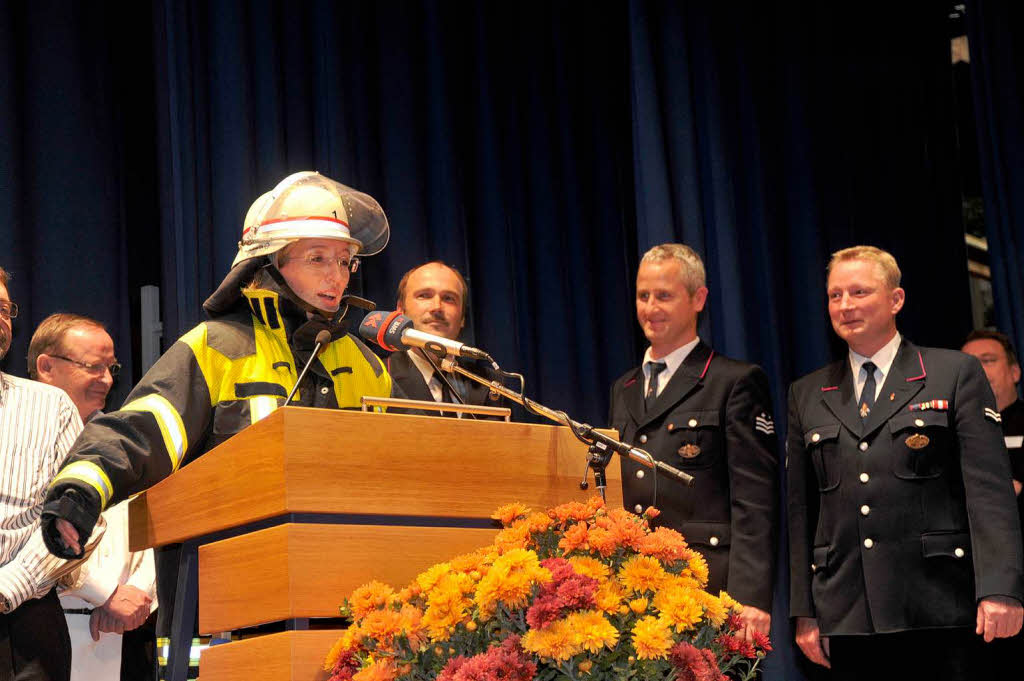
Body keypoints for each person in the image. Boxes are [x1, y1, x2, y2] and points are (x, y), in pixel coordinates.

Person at [36, 171, 394, 671]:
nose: (337, 276)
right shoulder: (214, 348)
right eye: (317, 258)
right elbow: (140, 431)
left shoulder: (369, 365)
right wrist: (79, 491)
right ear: (269, 262)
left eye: (344, 261)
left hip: (344, 613)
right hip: (226, 621)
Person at [787, 245, 1024, 680]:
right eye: (835, 295)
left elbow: (989, 492)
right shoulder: (808, 393)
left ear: (896, 299)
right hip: (850, 611)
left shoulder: (952, 373)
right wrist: (805, 610)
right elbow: (803, 511)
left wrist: (1001, 589)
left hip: (938, 603)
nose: (845, 305)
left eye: (859, 292)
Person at [608, 243, 778, 642]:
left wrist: (750, 597)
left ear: (698, 298)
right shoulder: (625, 387)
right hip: (634, 592)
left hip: (708, 586)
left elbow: (755, 499)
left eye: (664, 296)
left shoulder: (733, 381)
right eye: (643, 295)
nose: (651, 308)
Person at [28, 314, 157, 681]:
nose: (108, 379)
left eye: (111, 366)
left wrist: (137, 592)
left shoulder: (125, 442)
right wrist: (102, 593)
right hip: (40, 632)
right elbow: (20, 533)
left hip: (127, 633)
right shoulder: (16, 435)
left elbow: (155, 524)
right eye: (94, 367)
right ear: (46, 366)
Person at [0, 267, 85, 681]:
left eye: (3, 308)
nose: (0, 317)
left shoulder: (51, 406)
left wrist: (7, 587)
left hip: (28, 624)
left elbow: (79, 514)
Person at [961, 328, 1024, 671]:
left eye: (987, 360)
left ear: (1014, 372)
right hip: (968, 600)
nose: (977, 369)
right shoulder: (944, 434)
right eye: (968, 363)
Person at [389, 261, 505, 416]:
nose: (437, 307)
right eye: (424, 296)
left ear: (462, 317)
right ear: (401, 310)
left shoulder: (490, 383)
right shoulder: (381, 376)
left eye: (449, 298)